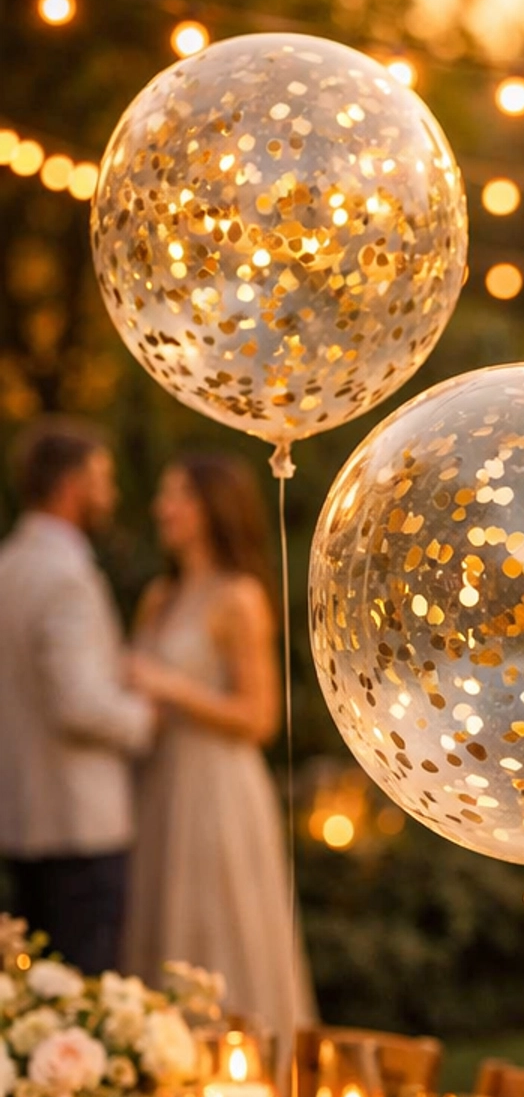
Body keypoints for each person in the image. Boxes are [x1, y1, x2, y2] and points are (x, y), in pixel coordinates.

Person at [123, 452, 314, 1057]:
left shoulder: (239, 597)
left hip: (220, 786)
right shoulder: (161, 596)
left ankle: (245, 1073)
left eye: (177, 495)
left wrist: (170, 687)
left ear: (212, 508)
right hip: (163, 782)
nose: (163, 509)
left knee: (221, 926)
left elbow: (259, 718)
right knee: (164, 923)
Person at [0, 419, 155, 972]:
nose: (110, 494)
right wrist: (145, 716)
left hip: (21, 818)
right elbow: (80, 705)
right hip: (79, 822)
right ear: (71, 485)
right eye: (102, 479)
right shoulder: (65, 576)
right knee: (83, 997)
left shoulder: (10, 565)